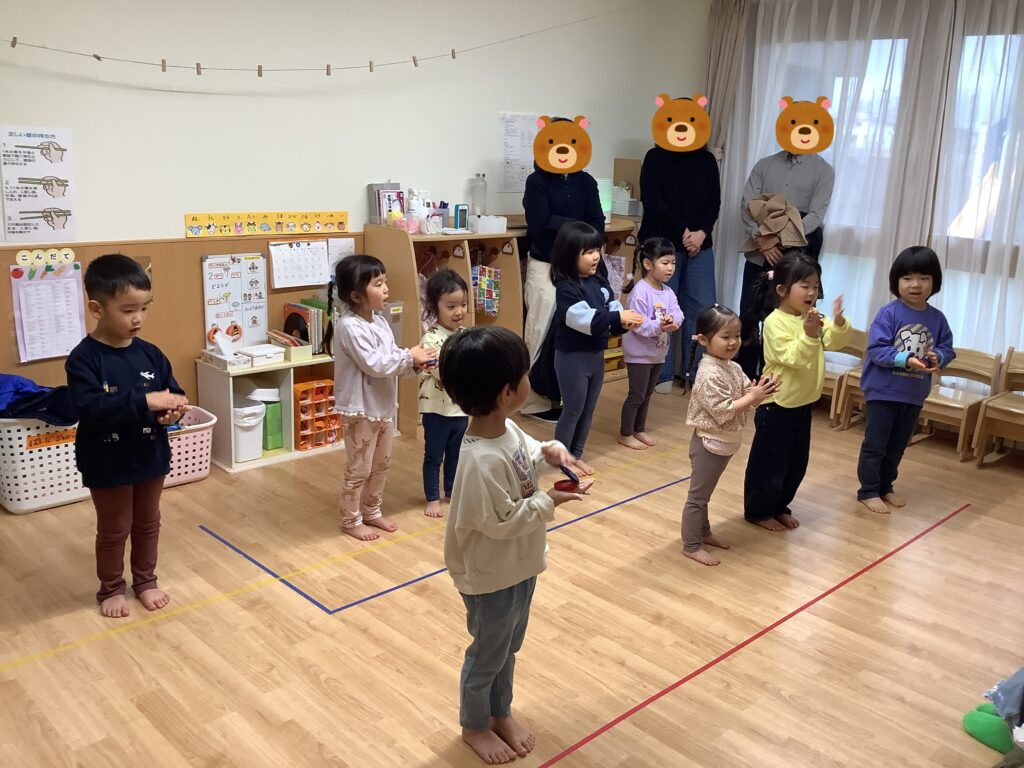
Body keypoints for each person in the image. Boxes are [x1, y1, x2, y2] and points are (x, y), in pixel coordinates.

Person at [440, 326, 592, 765]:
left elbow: (529, 456)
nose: (529, 379)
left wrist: (552, 452)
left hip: (519, 565)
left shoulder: (505, 428)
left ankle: (499, 712)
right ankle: (474, 725)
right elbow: (501, 522)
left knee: (507, 647)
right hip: (490, 575)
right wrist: (550, 501)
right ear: (507, 392)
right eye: (525, 374)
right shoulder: (479, 461)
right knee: (488, 654)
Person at [65, 254, 188, 618]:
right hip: (107, 462)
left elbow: (172, 393)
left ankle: (145, 581)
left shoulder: (151, 354)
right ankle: (111, 588)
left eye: (144, 308)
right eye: (128, 310)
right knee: (115, 528)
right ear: (97, 309)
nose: (138, 318)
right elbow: (90, 408)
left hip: (150, 457)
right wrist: (145, 401)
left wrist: (172, 412)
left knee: (148, 523)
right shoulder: (83, 359)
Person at [322, 255, 437, 541]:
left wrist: (415, 364)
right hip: (360, 410)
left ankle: (372, 511)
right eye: (378, 283)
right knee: (359, 467)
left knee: (381, 464)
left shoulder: (380, 322)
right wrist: (409, 356)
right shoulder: (350, 327)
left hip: (382, 407)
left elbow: (391, 360)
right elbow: (375, 364)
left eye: (385, 281)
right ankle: (350, 519)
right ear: (356, 296)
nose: (386, 289)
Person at [743, 252, 850, 531]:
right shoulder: (775, 322)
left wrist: (838, 323)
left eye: (815, 286)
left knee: (795, 463)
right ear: (782, 290)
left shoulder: (811, 318)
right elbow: (792, 357)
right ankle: (759, 512)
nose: (812, 292)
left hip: (802, 403)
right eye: (805, 286)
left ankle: (780, 506)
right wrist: (810, 334)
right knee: (769, 464)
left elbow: (833, 341)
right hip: (777, 405)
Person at [737, 96, 836, 378]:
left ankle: (777, 378)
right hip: (759, 251)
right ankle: (745, 378)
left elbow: (816, 216)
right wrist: (761, 239)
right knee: (750, 314)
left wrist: (779, 240)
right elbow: (747, 203)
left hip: (796, 255)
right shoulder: (765, 165)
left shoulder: (824, 170)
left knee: (785, 315)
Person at [856, 246, 954, 514]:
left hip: (913, 393)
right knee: (876, 444)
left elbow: (947, 348)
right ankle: (868, 491)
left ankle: (885, 486)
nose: (915, 284)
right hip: (883, 391)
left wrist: (938, 357)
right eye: (907, 278)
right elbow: (876, 350)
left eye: (924, 278)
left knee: (898, 445)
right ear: (896, 281)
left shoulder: (937, 319)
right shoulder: (889, 313)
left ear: (934, 282)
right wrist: (906, 359)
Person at [521, 115, 606, 420]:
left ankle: (565, 398)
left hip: (578, 270)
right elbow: (540, 224)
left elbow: (597, 223)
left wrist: (569, 229)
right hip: (545, 265)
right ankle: (531, 400)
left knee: (573, 331)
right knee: (540, 330)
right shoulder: (537, 182)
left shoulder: (586, 182)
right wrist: (578, 230)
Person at [683, 304, 779, 565]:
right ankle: (691, 545)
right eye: (725, 336)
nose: (733, 342)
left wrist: (762, 390)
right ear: (704, 340)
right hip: (709, 443)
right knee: (697, 498)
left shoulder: (732, 367)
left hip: (724, 442)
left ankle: (703, 533)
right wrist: (752, 397)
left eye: (736, 335)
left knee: (705, 495)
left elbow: (747, 393)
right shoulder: (708, 373)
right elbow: (723, 410)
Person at [638, 93, 721, 389]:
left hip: (700, 246)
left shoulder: (708, 160)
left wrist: (701, 233)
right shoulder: (654, 157)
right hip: (662, 245)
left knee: (701, 310)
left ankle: (695, 373)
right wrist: (684, 232)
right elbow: (652, 200)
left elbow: (714, 201)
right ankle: (659, 375)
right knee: (660, 309)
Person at [550, 222, 643, 475]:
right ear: (570, 255)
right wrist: (617, 318)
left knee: (588, 410)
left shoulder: (598, 282)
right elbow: (585, 320)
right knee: (573, 410)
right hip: (572, 358)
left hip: (595, 357)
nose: (595, 257)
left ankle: (576, 454)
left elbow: (612, 308)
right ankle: (563, 459)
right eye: (588, 252)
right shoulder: (566, 288)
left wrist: (625, 322)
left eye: (596, 250)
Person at [618, 237, 683, 450]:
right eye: (665, 263)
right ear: (648, 264)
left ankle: (639, 429)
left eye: (673, 263)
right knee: (636, 394)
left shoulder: (668, 292)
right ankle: (625, 433)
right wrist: (660, 326)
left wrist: (673, 320)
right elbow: (638, 324)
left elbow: (678, 312)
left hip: (657, 354)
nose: (670, 268)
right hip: (639, 354)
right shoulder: (640, 292)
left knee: (646, 395)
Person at [418, 269, 470, 518]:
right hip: (436, 409)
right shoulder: (431, 338)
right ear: (434, 306)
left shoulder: (465, 335)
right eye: (451, 306)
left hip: (460, 408)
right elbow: (441, 372)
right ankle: (432, 498)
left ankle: (451, 491)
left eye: (463, 304)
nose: (458, 311)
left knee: (456, 454)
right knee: (434, 456)